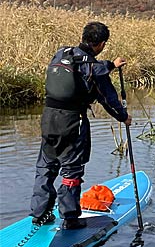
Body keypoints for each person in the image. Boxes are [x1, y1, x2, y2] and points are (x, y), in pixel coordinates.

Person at [30, 22, 132, 230]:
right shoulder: (94, 68)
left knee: (46, 165)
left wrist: (111, 65)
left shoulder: (61, 54)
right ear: (102, 43)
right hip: (73, 123)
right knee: (72, 170)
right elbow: (108, 99)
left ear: (84, 37)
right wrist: (124, 117)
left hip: (49, 118)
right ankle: (70, 219)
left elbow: (85, 65)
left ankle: (40, 214)